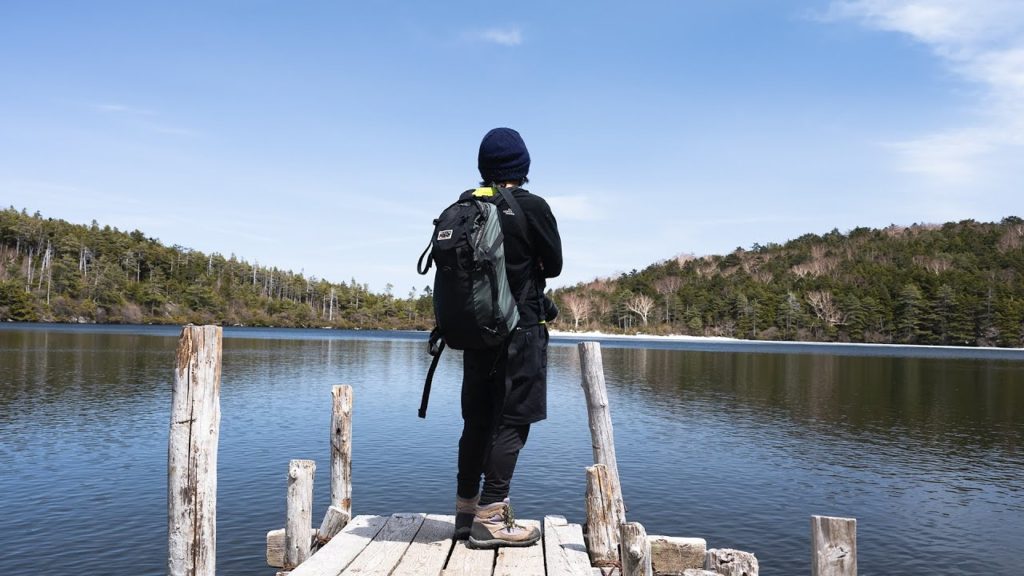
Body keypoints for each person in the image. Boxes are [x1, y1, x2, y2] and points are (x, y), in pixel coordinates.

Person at [455, 127, 562, 549]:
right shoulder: (532, 206)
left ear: (483, 169)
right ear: (523, 167)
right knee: (513, 420)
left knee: (477, 420)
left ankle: (466, 512)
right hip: (521, 330)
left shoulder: (466, 207)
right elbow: (552, 265)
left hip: (478, 332)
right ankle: (493, 517)